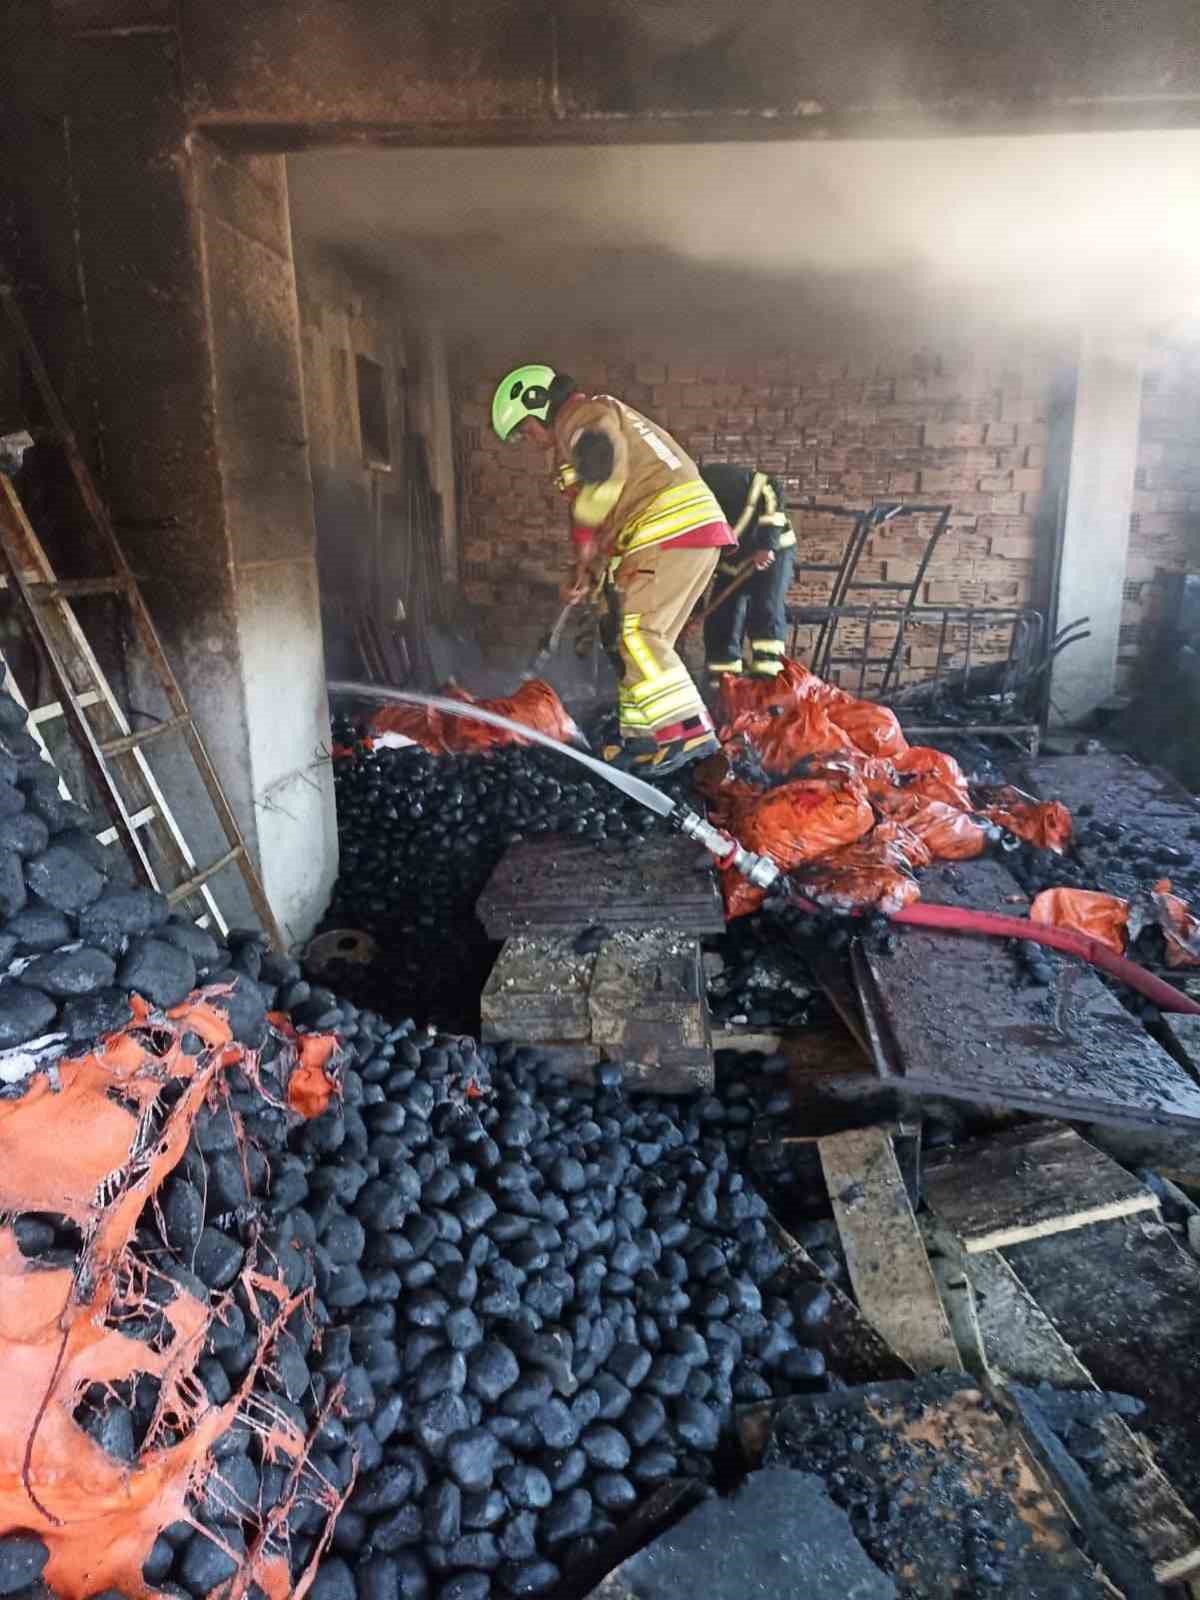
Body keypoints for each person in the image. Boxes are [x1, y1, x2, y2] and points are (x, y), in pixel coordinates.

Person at [491, 364, 735, 775]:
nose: (528, 441)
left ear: (537, 403)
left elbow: (603, 471)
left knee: (635, 632)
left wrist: (585, 549)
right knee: (622, 633)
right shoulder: (590, 421)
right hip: (678, 533)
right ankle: (642, 738)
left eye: (524, 429)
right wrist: (590, 568)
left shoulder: (581, 418)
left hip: (666, 530)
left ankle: (687, 729)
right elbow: (608, 506)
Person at [699, 464, 797, 687]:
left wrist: (767, 544)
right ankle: (723, 682)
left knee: (765, 607)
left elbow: (771, 487)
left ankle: (768, 677)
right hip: (732, 559)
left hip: (771, 552)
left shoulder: (716, 478)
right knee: (721, 614)